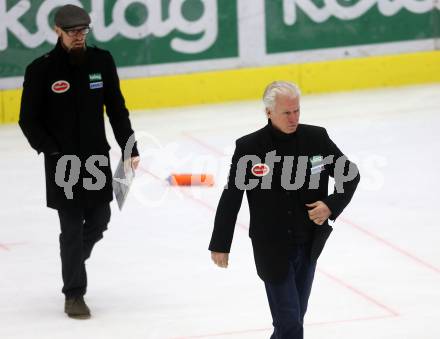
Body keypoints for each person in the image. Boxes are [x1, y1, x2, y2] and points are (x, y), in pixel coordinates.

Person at [209, 81, 360, 338]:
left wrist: (330, 205)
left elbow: (350, 176)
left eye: (297, 111)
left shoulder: (316, 138)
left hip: (309, 242)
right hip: (272, 248)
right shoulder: (250, 148)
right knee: (289, 321)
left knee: (293, 319)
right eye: (287, 113)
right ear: (269, 112)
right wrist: (220, 243)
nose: (294, 118)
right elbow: (231, 197)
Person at [19, 4, 140, 319]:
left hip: (96, 159)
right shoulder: (41, 70)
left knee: (100, 220)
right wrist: (51, 150)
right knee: (71, 229)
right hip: (62, 164)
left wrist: (130, 147)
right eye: (72, 32)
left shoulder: (101, 61)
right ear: (57, 30)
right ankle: (74, 294)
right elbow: (27, 120)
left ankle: (72, 258)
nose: (78, 37)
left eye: (83, 31)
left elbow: (117, 109)